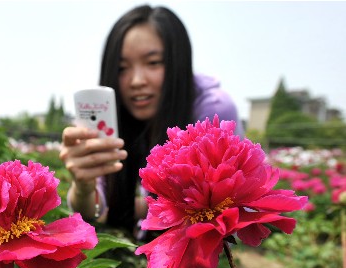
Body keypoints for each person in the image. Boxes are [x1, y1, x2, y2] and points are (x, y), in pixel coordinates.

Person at [59, 4, 244, 239]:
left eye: (153, 62)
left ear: (178, 62)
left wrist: (136, 210)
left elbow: (218, 207)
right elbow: (95, 211)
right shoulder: (116, 117)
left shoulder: (213, 108)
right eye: (121, 68)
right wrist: (84, 186)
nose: (136, 80)